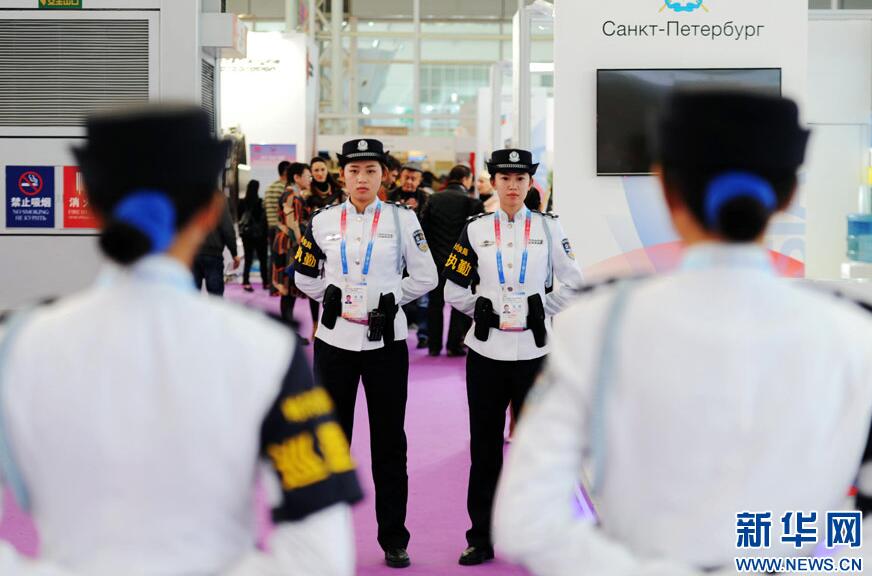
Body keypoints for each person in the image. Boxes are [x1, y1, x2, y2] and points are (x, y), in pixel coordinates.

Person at [493, 92, 872, 575]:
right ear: (789, 195)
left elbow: (526, 524)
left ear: (665, 189)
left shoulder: (596, 325)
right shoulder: (855, 332)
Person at [0, 105, 362, 576]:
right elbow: (322, 559)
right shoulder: (266, 350)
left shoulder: (17, 345)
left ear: (90, 204)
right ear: (210, 211)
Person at [294, 138, 438, 569]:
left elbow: (426, 275)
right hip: (335, 343)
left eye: (371, 171)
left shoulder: (403, 219)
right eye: (354, 171)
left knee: (389, 443)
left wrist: (390, 299)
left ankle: (394, 538)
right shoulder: (323, 220)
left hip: (385, 343)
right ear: (343, 176)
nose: (362, 178)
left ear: (383, 176)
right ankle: (326, 540)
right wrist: (330, 298)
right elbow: (304, 274)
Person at [443, 148, 585, 566]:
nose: (512, 186)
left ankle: (538, 536)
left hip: (535, 353)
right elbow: (453, 288)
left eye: (520, 179)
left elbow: (574, 282)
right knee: (485, 448)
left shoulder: (549, 228)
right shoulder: (475, 230)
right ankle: (480, 536)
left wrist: (542, 309)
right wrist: (480, 310)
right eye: (504, 178)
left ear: (529, 184)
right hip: (487, 352)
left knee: (538, 450)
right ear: (493, 183)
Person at [421, 164, 483, 357]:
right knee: (459, 303)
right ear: (466, 179)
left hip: (435, 260)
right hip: (461, 261)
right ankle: (454, 345)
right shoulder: (472, 203)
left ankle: (433, 346)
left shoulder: (433, 199)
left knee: (434, 304)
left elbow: (424, 230)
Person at [192, 195, 239, 296]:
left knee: (191, 295)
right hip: (213, 254)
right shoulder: (218, 198)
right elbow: (227, 229)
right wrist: (234, 253)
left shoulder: (189, 195)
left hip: (192, 252)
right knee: (215, 296)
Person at [238, 179, 269, 292]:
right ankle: (265, 282)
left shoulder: (241, 202)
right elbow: (264, 221)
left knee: (248, 259)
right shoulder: (260, 202)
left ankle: (246, 281)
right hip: (260, 235)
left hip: (246, 235)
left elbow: (240, 219)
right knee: (263, 259)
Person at [265, 160, 291, 295]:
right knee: (281, 259)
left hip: (270, 226)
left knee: (273, 257)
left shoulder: (269, 188)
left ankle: (272, 285)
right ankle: (279, 286)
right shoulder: (283, 189)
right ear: (286, 172)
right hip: (281, 229)